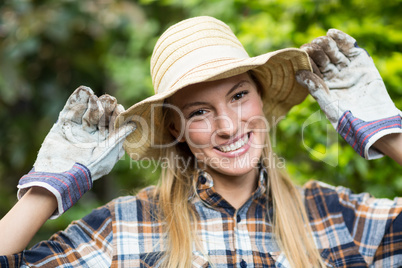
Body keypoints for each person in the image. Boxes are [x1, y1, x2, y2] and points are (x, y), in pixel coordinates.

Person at [0, 16, 401, 267]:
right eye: (199, 112)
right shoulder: (124, 228)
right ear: (176, 130)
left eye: (239, 95)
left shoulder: (334, 216)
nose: (227, 126)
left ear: (261, 97)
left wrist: (386, 133)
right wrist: (51, 184)